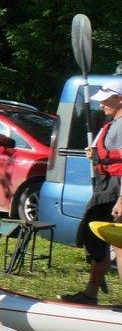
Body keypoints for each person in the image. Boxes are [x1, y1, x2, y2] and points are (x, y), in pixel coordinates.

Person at [62, 85, 122, 306]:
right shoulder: (113, 124)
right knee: (99, 240)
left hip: (116, 190)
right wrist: (97, 157)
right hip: (108, 187)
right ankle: (90, 293)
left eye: (106, 99)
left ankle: (93, 294)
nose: (100, 103)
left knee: (119, 245)